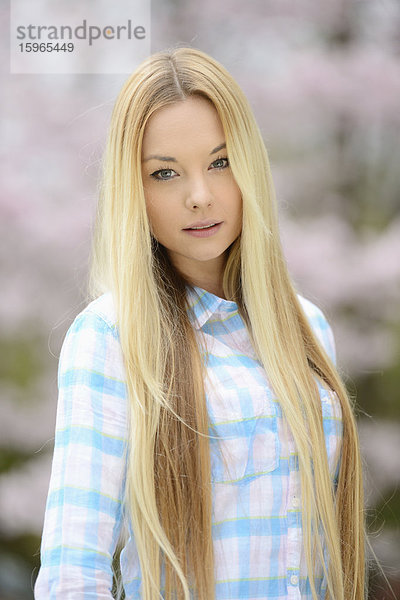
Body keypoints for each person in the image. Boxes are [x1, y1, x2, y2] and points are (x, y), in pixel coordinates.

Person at [34, 47, 366, 600]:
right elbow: (73, 574)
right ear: (132, 190)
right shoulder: (111, 338)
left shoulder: (307, 327)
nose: (199, 196)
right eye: (164, 173)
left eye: (220, 160)